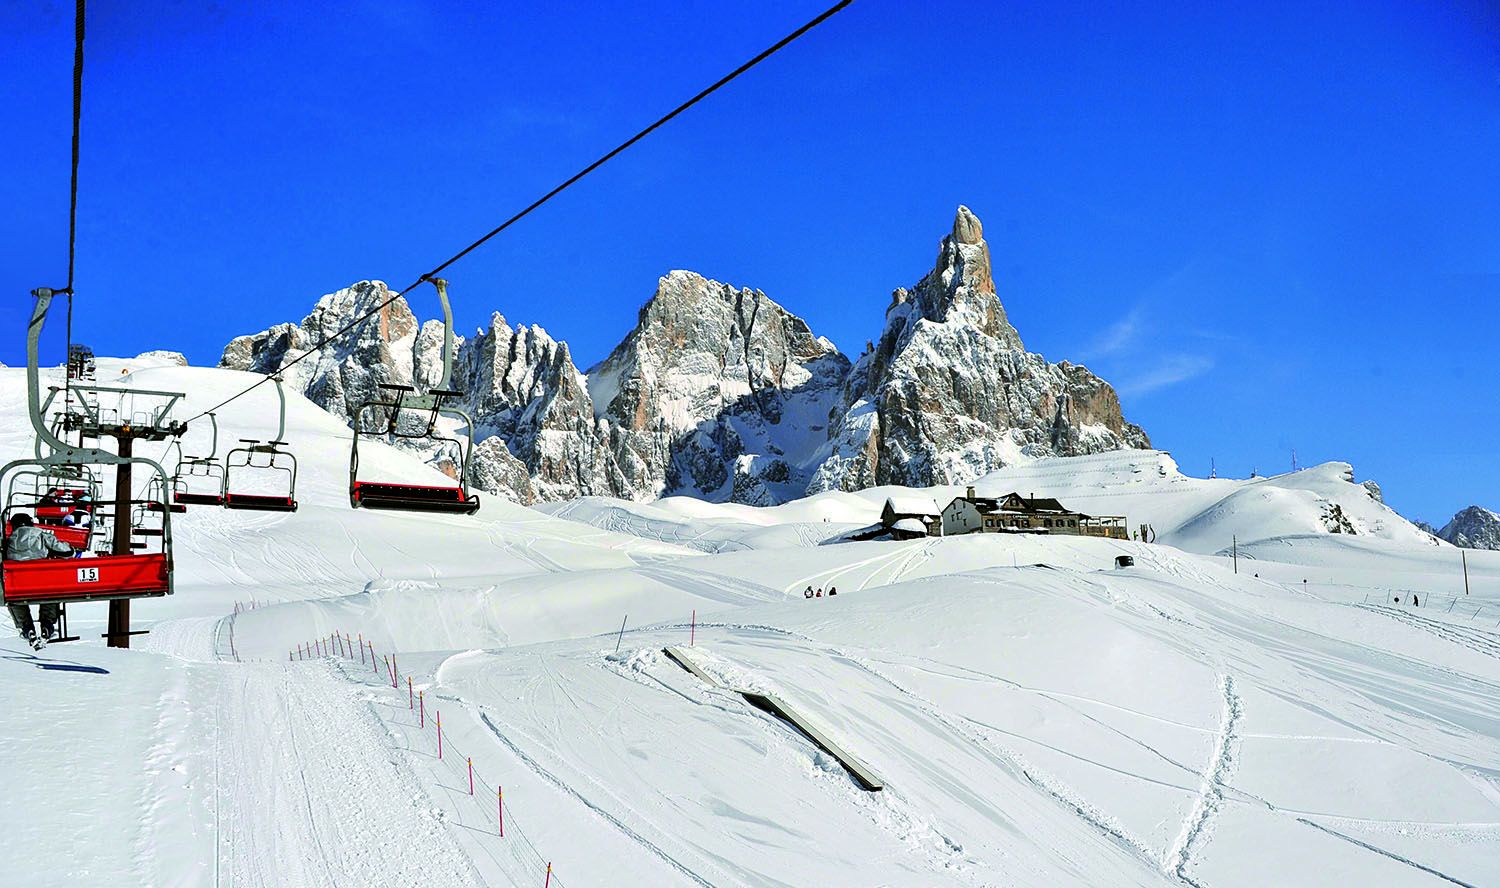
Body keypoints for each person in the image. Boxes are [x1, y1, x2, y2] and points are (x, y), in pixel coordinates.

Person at [4, 513, 75, 649]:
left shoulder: (8, 541)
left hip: (18, 585)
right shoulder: (42, 536)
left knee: (14, 599)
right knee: (49, 594)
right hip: (41, 583)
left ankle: (26, 627)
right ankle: (47, 624)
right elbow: (66, 552)